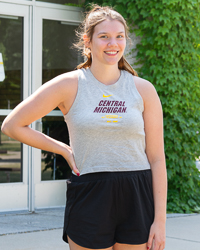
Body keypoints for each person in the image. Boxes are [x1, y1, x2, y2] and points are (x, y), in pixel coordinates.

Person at [1, 4, 167, 250]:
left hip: (137, 195)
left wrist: (160, 222)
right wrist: (64, 150)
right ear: (87, 42)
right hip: (91, 194)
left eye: (119, 36)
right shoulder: (69, 84)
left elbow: (156, 159)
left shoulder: (144, 89)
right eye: (104, 36)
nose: (113, 43)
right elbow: (13, 125)